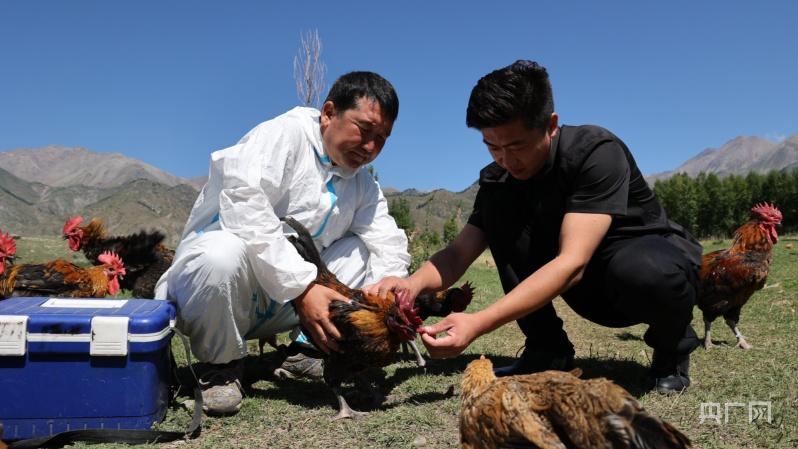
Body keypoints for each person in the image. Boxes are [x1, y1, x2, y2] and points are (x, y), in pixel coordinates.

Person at [366, 60, 703, 394]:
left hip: (639, 271)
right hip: (579, 283)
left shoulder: (595, 152)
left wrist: (478, 323)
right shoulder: (498, 179)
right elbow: (457, 254)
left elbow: (573, 262)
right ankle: (547, 350)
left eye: (517, 146)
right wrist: (411, 285)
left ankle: (672, 348)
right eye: (492, 147)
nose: (506, 160)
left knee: (647, 272)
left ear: (550, 125)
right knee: (497, 209)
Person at [155, 71, 410, 415]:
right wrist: (302, 287)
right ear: (329, 112)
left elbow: (385, 237)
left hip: (290, 305)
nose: (371, 147)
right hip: (225, 296)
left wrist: (391, 284)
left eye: (382, 138)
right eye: (365, 129)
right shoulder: (283, 136)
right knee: (217, 255)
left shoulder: (362, 183)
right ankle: (221, 366)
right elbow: (244, 203)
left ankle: (307, 351)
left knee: (368, 252)